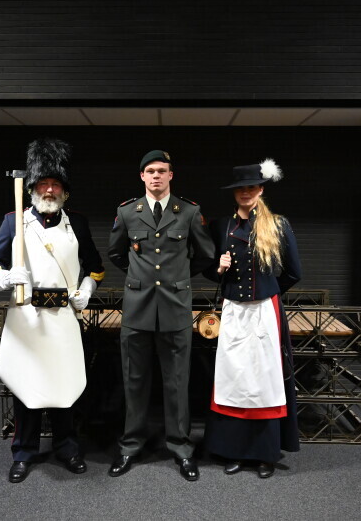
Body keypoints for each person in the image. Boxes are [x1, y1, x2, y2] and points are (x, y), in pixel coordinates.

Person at [0, 138, 105, 483]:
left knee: (64, 387)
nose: (49, 190)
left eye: (56, 184)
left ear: (65, 191)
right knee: (27, 387)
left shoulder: (77, 223)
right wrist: (6, 278)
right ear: (33, 188)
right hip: (26, 318)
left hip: (63, 319)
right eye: (43, 184)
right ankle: (23, 452)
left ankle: (68, 448)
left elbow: (95, 267)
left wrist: (86, 289)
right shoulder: (14, 221)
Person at [107, 150, 215, 481]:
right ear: (142, 176)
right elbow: (115, 252)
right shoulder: (127, 212)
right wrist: (138, 277)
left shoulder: (189, 211)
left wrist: (178, 277)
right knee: (134, 381)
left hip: (175, 307)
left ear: (171, 175)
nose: (156, 176)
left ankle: (181, 447)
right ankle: (130, 445)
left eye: (162, 171)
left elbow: (206, 254)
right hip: (138, 308)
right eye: (150, 171)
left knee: (177, 382)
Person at [202, 159, 302, 478]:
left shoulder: (278, 225)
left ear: (260, 190)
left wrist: (268, 290)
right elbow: (206, 269)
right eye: (240, 189)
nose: (245, 193)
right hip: (233, 311)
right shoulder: (221, 226)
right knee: (234, 380)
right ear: (234, 193)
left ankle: (265, 454)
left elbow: (294, 272)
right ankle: (234, 451)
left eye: (251, 187)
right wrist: (219, 268)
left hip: (264, 312)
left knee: (264, 381)